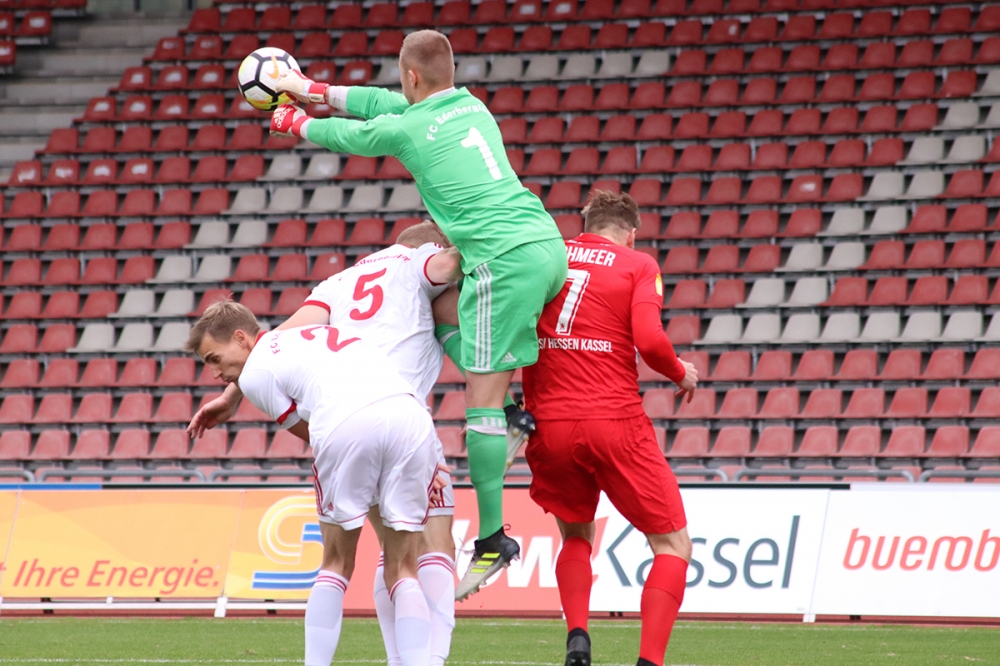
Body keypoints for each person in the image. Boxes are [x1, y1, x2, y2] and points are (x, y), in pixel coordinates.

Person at [268, 29, 569, 597]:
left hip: (502, 262)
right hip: (546, 244)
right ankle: (512, 415)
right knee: (444, 316)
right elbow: (383, 104)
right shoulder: (469, 103)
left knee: (475, 402)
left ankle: (492, 537)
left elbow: (360, 137)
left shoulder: (408, 127)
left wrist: (297, 122)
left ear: (410, 76)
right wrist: (311, 88)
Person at [187, 222, 462, 666]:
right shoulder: (415, 268)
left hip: (347, 420)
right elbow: (453, 264)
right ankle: (425, 661)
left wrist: (233, 395)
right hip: (411, 417)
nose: (216, 371)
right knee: (412, 559)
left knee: (337, 562)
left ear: (241, 338)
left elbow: (302, 413)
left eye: (214, 361)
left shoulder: (337, 285)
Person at [520, 191, 699, 666]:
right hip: (614, 419)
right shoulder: (638, 264)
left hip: (550, 423)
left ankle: (578, 638)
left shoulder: (549, 255)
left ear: (585, 225)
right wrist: (681, 372)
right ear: (631, 232)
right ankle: (649, 662)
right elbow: (650, 340)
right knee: (673, 544)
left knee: (576, 536)